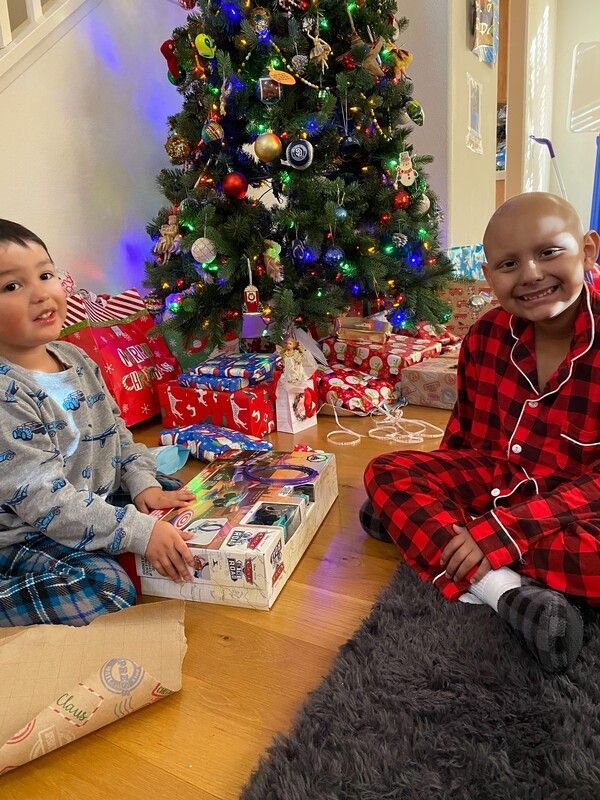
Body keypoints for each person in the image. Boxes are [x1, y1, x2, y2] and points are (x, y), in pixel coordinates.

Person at [362, 192, 600, 674]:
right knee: (385, 472)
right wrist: (438, 486)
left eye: (550, 252)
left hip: (580, 507)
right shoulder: (486, 335)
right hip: (496, 479)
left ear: (588, 250)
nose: (531, 274)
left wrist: (506, 530)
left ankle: (438, 536)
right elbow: (462, 438)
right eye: (509, 264)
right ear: (489, 277)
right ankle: (504, 592)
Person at [0, 220, 197, 627]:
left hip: (88, 496)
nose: (40, 293)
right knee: (107, 589)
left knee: (173, 494)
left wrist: (142, 482)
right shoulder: (7, 393)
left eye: (45, 274)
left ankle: (118, 527)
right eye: (12, 287)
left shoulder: (75, 358)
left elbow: (118, 435)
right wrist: (137, 532)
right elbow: (45, 502)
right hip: (27, 532)